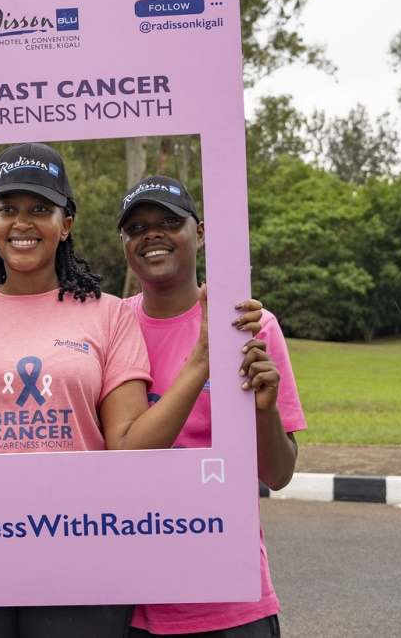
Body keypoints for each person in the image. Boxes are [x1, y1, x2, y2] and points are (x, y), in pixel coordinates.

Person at [0, 143, 244, 638]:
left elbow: (127, 449)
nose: (22, 222)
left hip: (83, 554)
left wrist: (203, 360)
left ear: (66, 223)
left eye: (40, 209)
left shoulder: (110, 315)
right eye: (7, 209)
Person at [117, 176, 304, 638]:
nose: (152, 234)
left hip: (232, 600)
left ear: (199, 233)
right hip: (134, 602)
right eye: (136, 227)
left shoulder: (250, 325)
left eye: (168, 222)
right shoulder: (112, 325)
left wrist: (264, 411)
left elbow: (278, 475)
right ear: (124, 244)